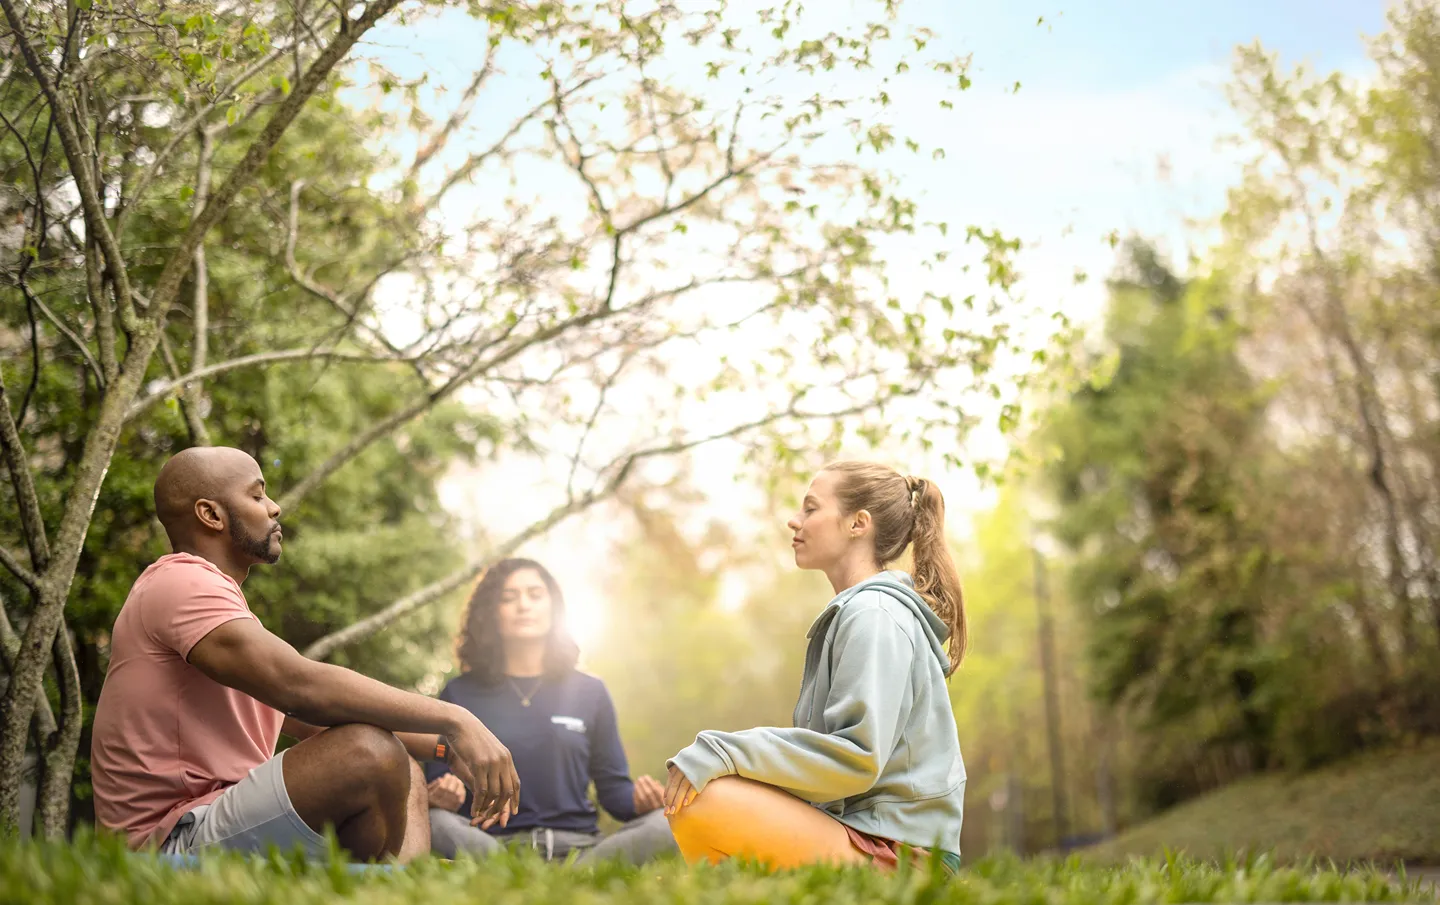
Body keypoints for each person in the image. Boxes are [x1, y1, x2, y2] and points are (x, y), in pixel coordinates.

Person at [90, 447, 520, 862]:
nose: (274, 507)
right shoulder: (181, 583)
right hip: (168, 838)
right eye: (257, 495)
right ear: (211, 515)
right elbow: (301, 688)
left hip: (217, 819)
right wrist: (457, 719)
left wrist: (444, 748)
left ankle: (400, 886)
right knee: (368, 751)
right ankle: (394, 884)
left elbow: (307, 718)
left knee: (401, 764)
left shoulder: (221, 616)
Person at [662, 461, 967, 871]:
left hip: (904, 856)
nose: (794, 520)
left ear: (858, 524)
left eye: (810, 509)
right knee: (708, 795)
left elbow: (857, 758)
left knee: (703, 801)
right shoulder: (862, 611)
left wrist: (726, 750)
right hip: (861, 832)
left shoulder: (874, 614)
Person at [424, 558, 677, 864]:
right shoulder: (458, 693)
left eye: (535, 594)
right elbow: (440, 777)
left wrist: (641, 801)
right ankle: (519, 874)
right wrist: (444, 794)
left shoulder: (590, 692)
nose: (523, 605)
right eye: (508, 597)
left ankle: (570, 876)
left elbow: (614, 792)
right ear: (490, 613)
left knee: (665, 825)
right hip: (490, 845)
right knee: (435, 821)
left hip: (582, 850)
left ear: (553, 608)